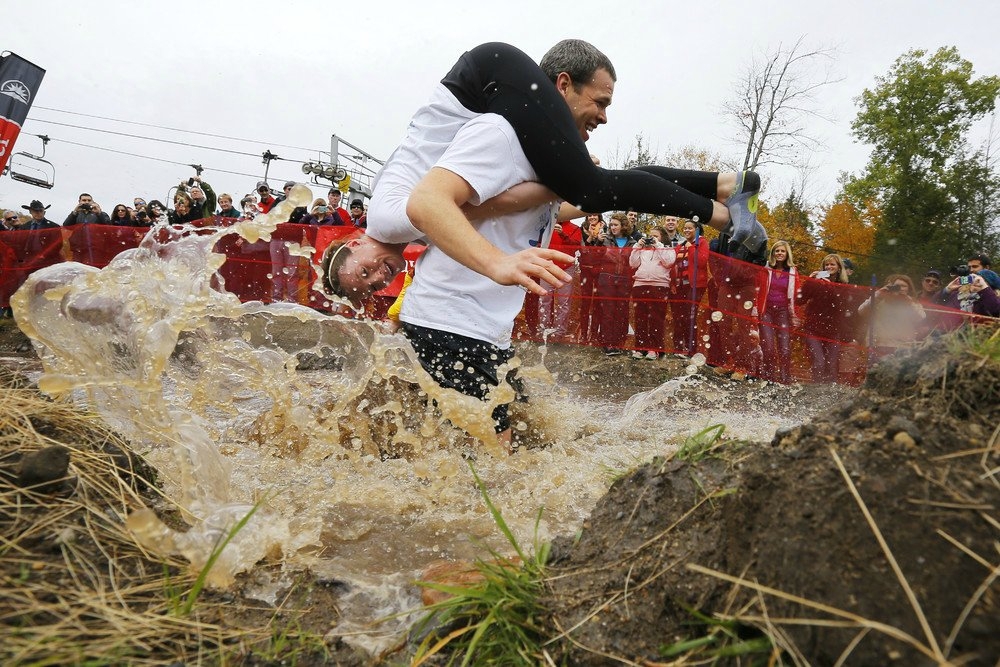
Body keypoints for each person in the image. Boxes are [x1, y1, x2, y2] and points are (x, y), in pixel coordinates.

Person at [360, 39, 766, 303]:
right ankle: (725, 184)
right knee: (597, 185)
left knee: (591, 187)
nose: (379, 278)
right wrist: (555, 186)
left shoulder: (389, 221)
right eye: (376, 286)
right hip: (489, 78)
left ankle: (724, 216)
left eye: (363, 272)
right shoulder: (391, 213)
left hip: (489, 75)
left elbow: (465, 206)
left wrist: (546, 190)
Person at [799, 254, 852, 383]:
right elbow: (799, 300)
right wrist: (809, 281)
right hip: (813, 328)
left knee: (831, 365)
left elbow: (841, 305)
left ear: (839, 268)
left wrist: (829, 286)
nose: (829, 267)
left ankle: (829, 396)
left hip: (833, 330)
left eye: (832, 264)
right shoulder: (817, 283)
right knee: (819, 362)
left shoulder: (844, 286)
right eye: (826, 265)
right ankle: (816, 393)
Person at [755, 240, 800, 383]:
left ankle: (785, 377)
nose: (780, 253)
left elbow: (797, 293)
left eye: (783, 251)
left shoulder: (793, 272)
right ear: (773, 253)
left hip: (783, 312)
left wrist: (795, 315)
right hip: (766, 310)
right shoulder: (766, 268)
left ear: (787, 254)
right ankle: (769, 376)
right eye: (777, 251)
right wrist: (755, 309)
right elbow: (757, 288)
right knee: (768, 347)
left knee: (785, 348)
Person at [629, 226, 675, 359]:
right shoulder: (643, 250)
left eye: (655, 236)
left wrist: (658, 245)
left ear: (662, 238)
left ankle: (655, 349)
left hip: (659, 286)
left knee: (656, 319)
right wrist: (638, 245)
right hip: (640, 285)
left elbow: (668, 262)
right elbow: (632, 263)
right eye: (650, 236)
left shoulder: (667, 249)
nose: (652, 238)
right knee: (640, 318)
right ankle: (640, 347)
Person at [596, 213, 637, 355]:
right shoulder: (605, 239)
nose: (612, 227)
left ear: (623, 226)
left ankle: (620, 342)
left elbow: (634, 262)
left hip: (625, 280)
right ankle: (608, 343)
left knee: (622, 311)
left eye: (615, 225)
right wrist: (597, 242)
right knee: (608, 310)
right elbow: (594, 256)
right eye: (611, 224)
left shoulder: (633, 242)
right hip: (607, 278)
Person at [669, 220, 709, 356]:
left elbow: (702, 261)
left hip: (694, 286)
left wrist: (690, 247)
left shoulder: (701, 242)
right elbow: (672, 263)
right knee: (678, 317)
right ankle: (678, 348)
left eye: (690, 228)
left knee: (689, 316)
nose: (686, 231)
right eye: (685, 228)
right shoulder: (680, 245)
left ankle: (691, 349)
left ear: (697, 230)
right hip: (678, 286)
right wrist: (672, 283)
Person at [858, 274, 927, 348]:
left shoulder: (912, 302)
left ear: (908, 289)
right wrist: (879, 294)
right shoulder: (880, 299)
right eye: (897, 285)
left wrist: (908, 301)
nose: (900, 288)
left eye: (903, 286)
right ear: (891, 287)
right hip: (878, 344)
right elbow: (861, 311)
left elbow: (920, 318)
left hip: (902, 347)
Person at [578, 213, 606, 344]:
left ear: (599, 217)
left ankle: (594, 332)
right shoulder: (582, 229)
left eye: (595, 215)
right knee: (585, 302)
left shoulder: (605, 229)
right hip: (586, 269)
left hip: (600, 270)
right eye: (590, 215)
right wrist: (590, 236)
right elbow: (583, 250)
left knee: (598, 303)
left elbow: (602, 251)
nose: (592, 217)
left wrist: (599, 240)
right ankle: (583, 333)